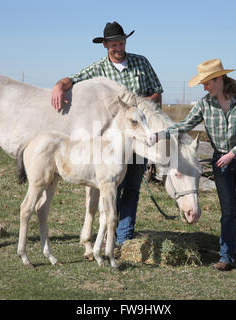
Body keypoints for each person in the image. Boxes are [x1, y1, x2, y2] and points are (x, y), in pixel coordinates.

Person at [51, 21, 163, 245]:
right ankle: (109, 235)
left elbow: (157, 94)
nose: (118, 48)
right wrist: (59, 85)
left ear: (125, 42)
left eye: (121, 43)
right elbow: (73, 79)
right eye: (114, 45)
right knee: (112, 187)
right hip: (112, 144)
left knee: (131, 188)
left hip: (138, 137)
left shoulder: (142, 63)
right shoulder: (98, 69)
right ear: (105, 46)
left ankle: (124, 238)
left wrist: (141, 105)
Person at [154, 59, 236, 274]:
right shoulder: (205, 104)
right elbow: (185, 125)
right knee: (227, 211)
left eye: (206, 83)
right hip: (221, 162)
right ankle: (228, 257)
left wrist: (232, 154)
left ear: (219, 79)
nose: (204, 87)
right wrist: (161, 135)